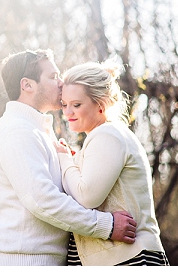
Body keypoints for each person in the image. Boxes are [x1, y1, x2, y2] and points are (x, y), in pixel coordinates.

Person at [0, 49, 137, 265]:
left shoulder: (37, 129)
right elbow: (42, 200)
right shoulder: (17, 131)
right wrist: (105, 225)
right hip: (22, 262)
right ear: (27, 85)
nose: (61, 83)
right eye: (53, 77)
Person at [55, 61, 168, 265]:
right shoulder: (102, 137)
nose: (67, 112)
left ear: (101, 104)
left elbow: (87, 197)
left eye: (76, 105)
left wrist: (64, 160)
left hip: (128, 258)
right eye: (64, 104)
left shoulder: (107, 135)